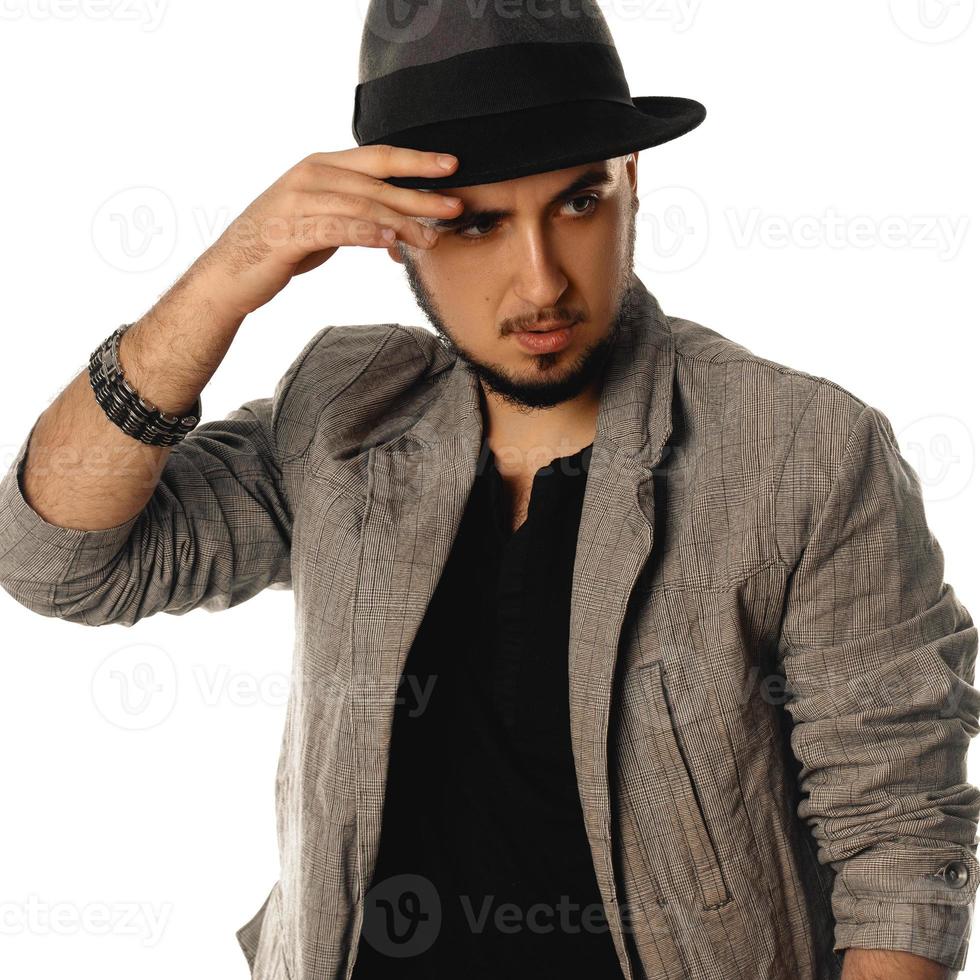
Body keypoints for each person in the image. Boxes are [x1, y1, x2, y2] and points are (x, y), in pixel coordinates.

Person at [1, 3, 977, 979]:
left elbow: (898, 843)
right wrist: (229, 274)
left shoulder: (799, 447)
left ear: (631, 183)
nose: (540, 280)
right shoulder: (342, 414)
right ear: (395, 234)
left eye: (578, 202)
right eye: (475, 223)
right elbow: (58, 562)